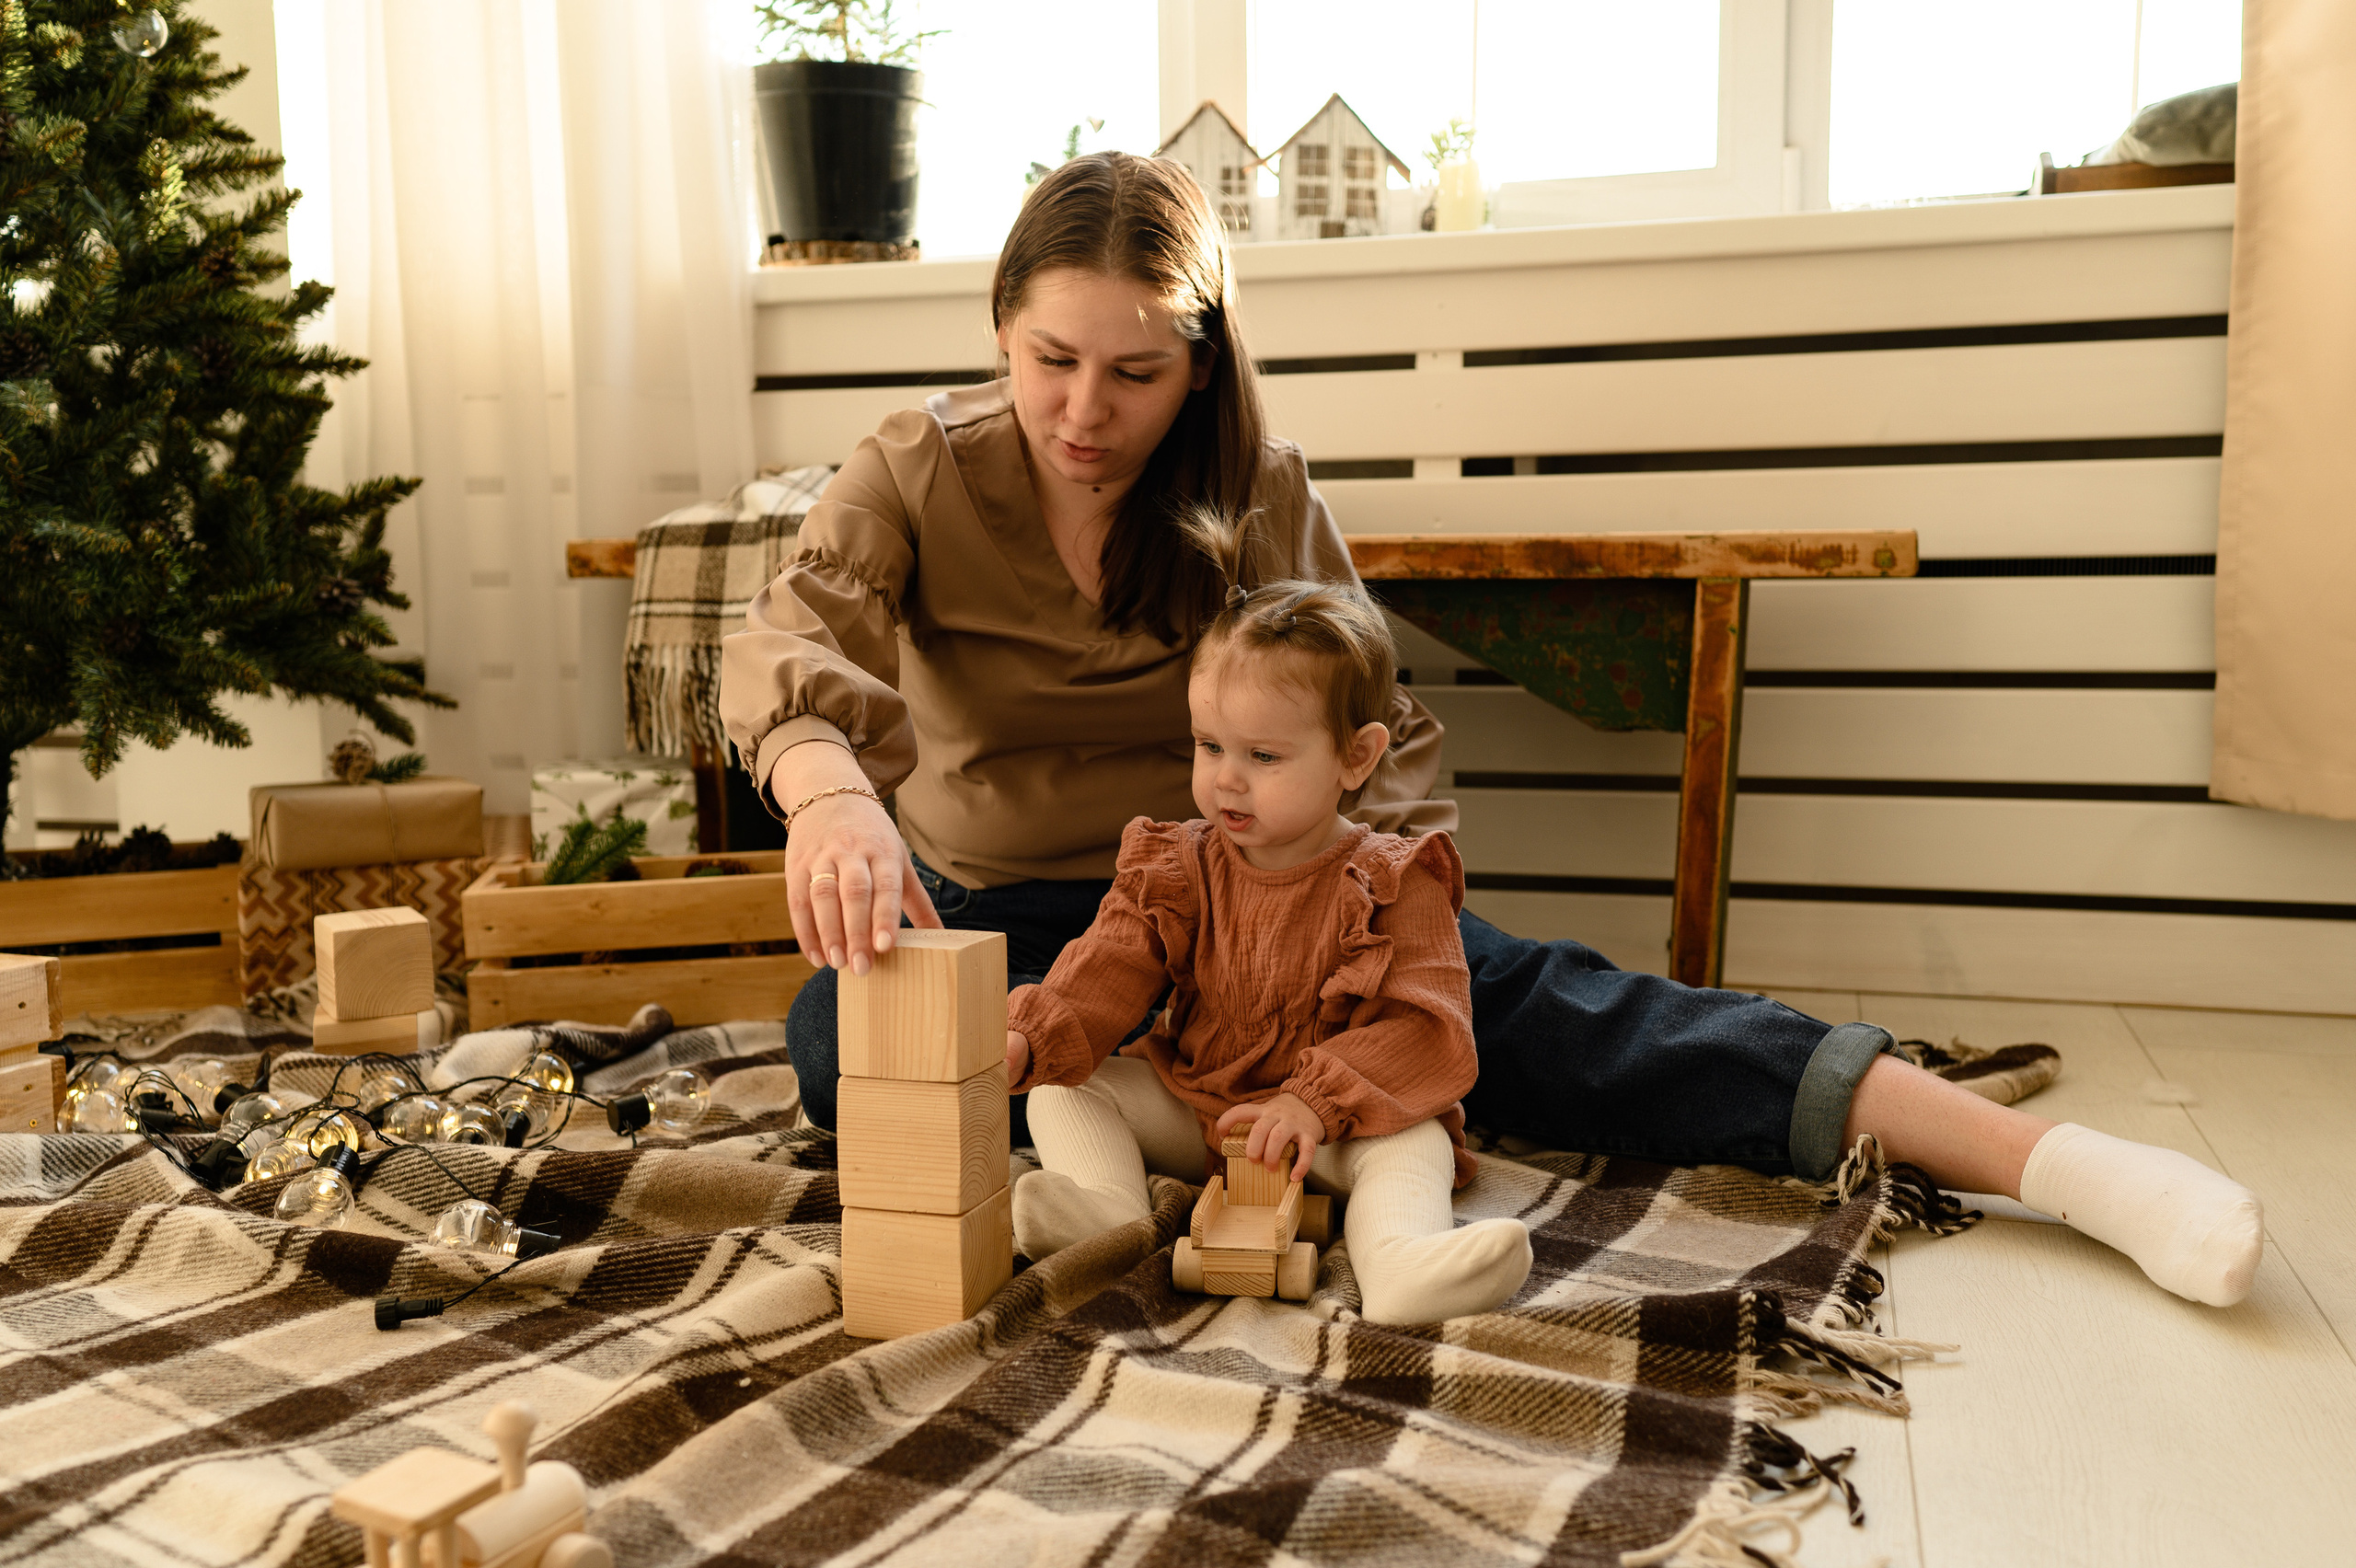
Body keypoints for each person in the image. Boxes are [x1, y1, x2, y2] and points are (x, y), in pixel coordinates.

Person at [721, 151, 2264, 1310]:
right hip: (1013, 915)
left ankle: (2062, 1170)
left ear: (1199, 364)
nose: (1083, 410)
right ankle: (1225, 1139)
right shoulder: (918, 465)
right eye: (1051, 360)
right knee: (832, 1040)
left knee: (1573, 1015)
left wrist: (1387, 932)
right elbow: (793, 633)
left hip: (1269, 891)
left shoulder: (1254, 483)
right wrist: (826, 792)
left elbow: (1377, 722)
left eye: (1135, 371)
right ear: (1000, 330)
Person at [1005, 511, 1531, 1323]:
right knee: (1068, 1090)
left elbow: (1427, 1031)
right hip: (1201, 1106)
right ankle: (1105, 1214)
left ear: (1355, 757)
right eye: (1208, 746)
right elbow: (1106, 965)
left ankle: (1399, 1266)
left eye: (1264, 757)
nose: (1226, 782)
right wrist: (1033, 1034)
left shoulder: (1395, 881)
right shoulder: (1175, 864)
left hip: (1337, 1130)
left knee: (1416, 1143)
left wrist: (1313, 1105)